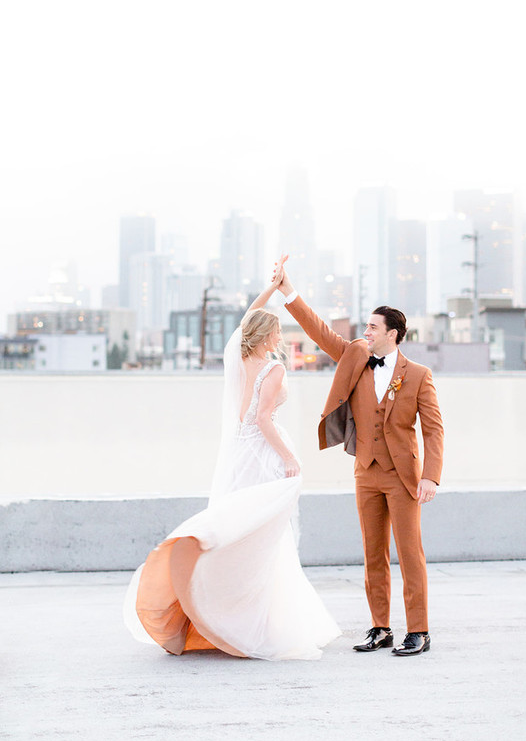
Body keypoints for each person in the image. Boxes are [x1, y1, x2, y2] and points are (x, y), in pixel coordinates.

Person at [123, 257, 340, 661]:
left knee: (232, 532)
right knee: (263, 540)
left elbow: (246, 321)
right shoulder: (272, 370)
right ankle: (251, 618)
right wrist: (290, 458)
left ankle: (209, 613)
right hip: (262, 453)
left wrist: (273, 289)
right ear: (268, 336)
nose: (279, 338)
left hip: (239, 454)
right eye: (276, 332)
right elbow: (262, 419)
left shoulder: (238, 359)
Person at [275, 264, 444, 657]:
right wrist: (289, 292)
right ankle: (381, 627)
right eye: (365, 326)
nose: (365, 332)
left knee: (410, 553)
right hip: (365, 472)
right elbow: (320, 333)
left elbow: (434, 430)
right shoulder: (354, 356)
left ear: (392, 334)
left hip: (404, 477)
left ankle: (418, 630)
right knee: (373, 554)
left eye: (372, 327)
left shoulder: (419, 375)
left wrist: (431, 477)